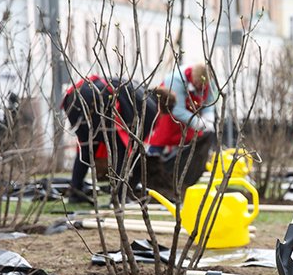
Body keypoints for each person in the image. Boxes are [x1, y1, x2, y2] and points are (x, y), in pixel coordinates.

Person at [61, 75, 173, 205]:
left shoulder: (139, 90)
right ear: (166, 109)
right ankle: (119, 196)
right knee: (121, 152)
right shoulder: (151, 108)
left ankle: (75, 191)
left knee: (86, 148)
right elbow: (135, 147)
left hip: (75, 96)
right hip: (96, 100)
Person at [148, 62, 217, 186]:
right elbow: (176, 109)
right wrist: (198, 122)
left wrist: (209, 119)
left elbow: (209, 103)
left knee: (188, 144)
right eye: (197, 85)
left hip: (190, 117)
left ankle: (178, 175)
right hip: (169, 113)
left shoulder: (209, 82)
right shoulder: (176, 80)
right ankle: (149, 172)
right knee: (160, 139)